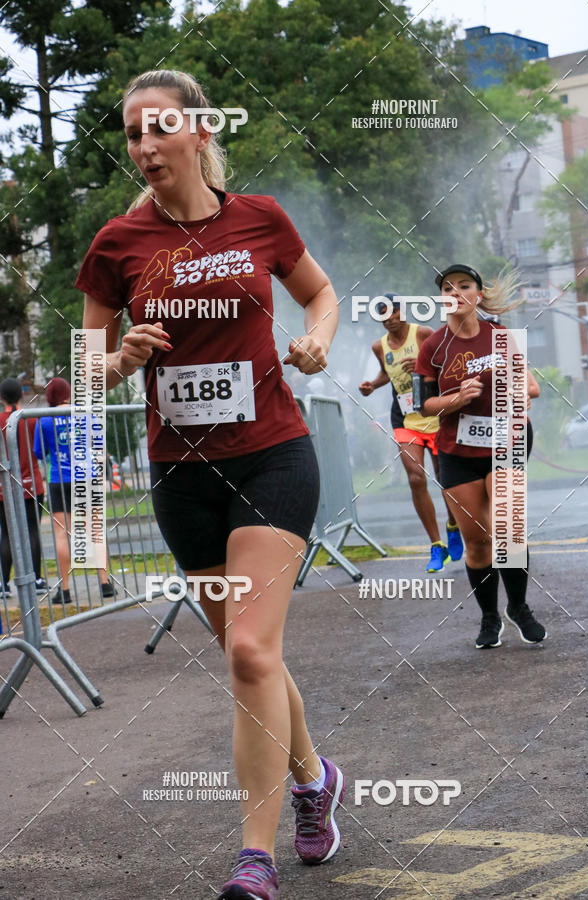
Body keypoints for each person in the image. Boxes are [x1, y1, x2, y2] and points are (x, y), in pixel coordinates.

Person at [76, 69, 344, 900]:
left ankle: (254, 859)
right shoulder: (116, 244)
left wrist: (317, 341)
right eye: (132, 134)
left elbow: (320, 294)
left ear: (200, 131)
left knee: (251, 651)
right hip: (182, 477)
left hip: (272, 457)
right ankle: (315, 779)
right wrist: (119, 360)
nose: (144, 146)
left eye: (159, 128)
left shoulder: (258, 217)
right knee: (247, 653)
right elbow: (88, 368)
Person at [415, 264, 546, 649]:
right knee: (476, 542)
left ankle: (519, 607)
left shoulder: (501, 336)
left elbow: (532, 386)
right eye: (447, 288)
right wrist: (457, 399)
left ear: (478, 294)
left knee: (508, 529)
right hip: (457, 451)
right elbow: (424, 406)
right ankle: (490, 617)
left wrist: (520, 395)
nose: (455, 292)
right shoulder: (432, 347)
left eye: (464, 285)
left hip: (506, 441)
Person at [359, 296, 463, 571]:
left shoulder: (424, 334)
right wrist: (372, 385)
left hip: (435, 414)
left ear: (403, 312)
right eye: (384, 315)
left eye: (394, 312)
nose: (390, 318)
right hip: (405, 418)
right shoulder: (378, 346)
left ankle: (453, 525)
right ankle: (436, 546)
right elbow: (387, 373)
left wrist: (421, 363)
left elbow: (448, 364)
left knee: (444, 477)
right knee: (416, 477)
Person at [33, 377, 116, 606]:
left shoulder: (45, 418)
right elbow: (99, 443)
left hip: (59, 479)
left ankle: (65, 589)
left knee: (61, 534)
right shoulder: (86, 413)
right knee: (95, 530)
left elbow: (39, 452)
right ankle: (105, 583)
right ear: (68, 393)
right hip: (87, 476)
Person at [0, 378, 47, 596]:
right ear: (21, 395)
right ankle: (36, 579)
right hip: (31, 484)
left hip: (4, 486)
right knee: (32, 531)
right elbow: (40, 450)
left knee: (7, 534)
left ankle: (3, 584)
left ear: (1, 398)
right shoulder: (30, 419)